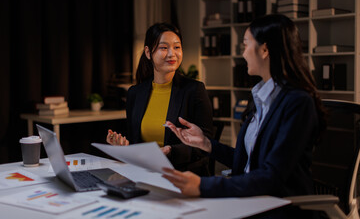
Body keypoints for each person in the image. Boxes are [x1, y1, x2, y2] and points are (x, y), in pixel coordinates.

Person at [162, 14, 326, 218]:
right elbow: (249, 162)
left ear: (264, 50)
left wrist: (204, 185)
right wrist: (206, 144)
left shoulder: (297, 103)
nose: (243, 53)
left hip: (278, 209)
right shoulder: (260, 97)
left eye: (246, 45)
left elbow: (272, 176)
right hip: (249, 201)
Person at [106, 22, 213, 176]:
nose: (172, 54)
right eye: (164, 47)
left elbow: (206, 144)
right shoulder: (135, 93)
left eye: (177, 47)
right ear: (148, 52)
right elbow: (135, 143)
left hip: (182, 175)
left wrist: (170, 151)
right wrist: (123, 146)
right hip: (144, 173)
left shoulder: (194, 90)